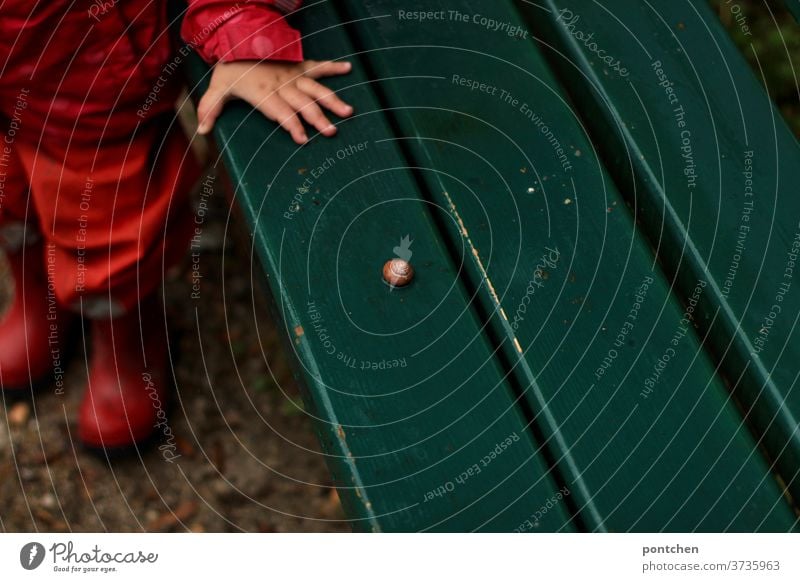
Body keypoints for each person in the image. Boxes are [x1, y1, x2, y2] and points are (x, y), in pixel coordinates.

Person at [0, 0, 351, 449]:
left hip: (86, 61)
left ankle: (126, 331)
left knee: (106, 217)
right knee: (8, 189)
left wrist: (239, 23)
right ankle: (37, 296)